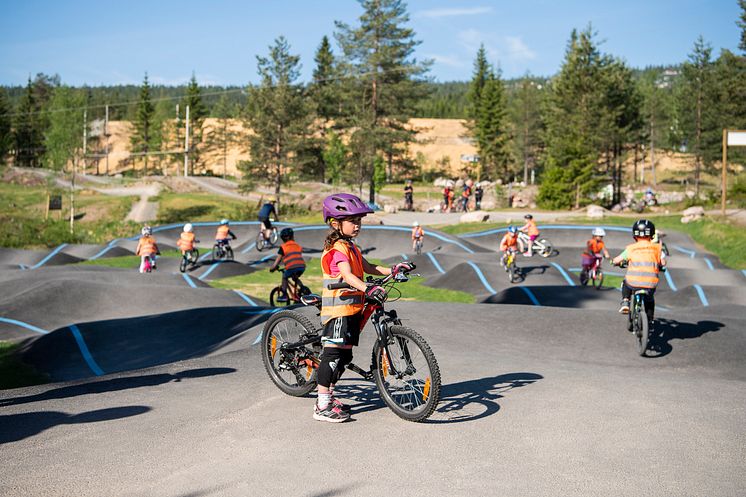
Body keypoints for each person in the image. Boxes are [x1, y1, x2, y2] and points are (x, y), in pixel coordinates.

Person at [316, 193, 414, 422]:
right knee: (333, 354)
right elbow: (348, 275)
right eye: (352, 221)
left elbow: (368, 266)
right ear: (335, 223)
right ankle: (321, 405)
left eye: (359, 220)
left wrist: (392, 270)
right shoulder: (338, 249)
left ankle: (329, 396)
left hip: (351, 310)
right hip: (338, 310)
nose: (357, 224)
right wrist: (366, 288)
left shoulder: (352, 247)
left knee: (344, 355)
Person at [612, 219, 666, 320]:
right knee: (650, 300)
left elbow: (617, 260)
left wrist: (614, 262)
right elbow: (663, 263)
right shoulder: (657, 248)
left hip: (633, 282)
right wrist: (660, 266)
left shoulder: (631, 248)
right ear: (652, 234)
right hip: (650, 283)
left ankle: (625, 301)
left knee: (625, 283)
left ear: (634, 235)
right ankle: (650, 320)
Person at [268, 227, 306, 302]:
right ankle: (303, 289)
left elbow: (277, 262)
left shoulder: (283, 247)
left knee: (285, 276)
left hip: (292, 267)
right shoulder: (297, 245)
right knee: (295, 278)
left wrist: (272, 268)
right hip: (302, 266)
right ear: (292, 236)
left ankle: (284, 295)